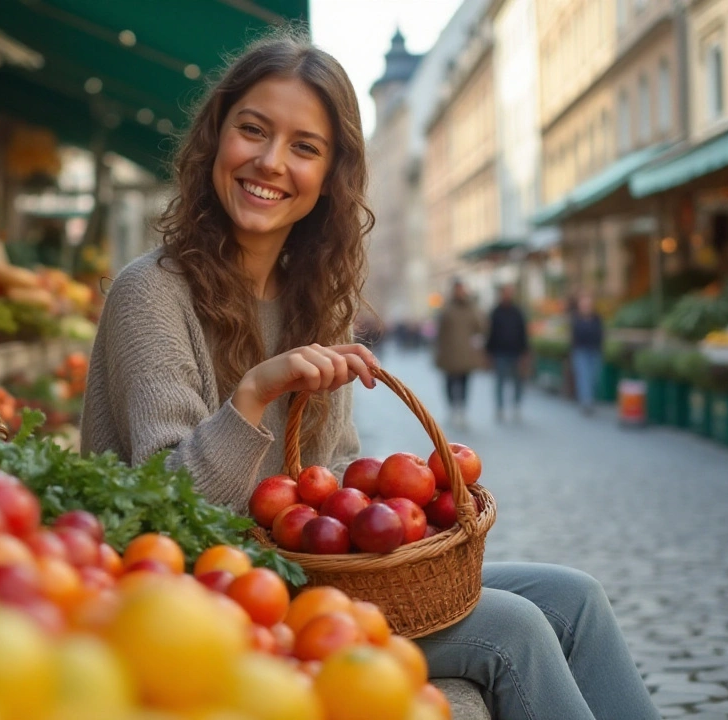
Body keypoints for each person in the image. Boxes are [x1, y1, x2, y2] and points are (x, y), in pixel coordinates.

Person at [81, 29, 660, 720]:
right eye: (253, 131)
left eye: (304, 147)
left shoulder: (313, 299)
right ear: (216, 137)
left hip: (306, 578)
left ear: (330, 176)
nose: (270, 162)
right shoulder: (150, 293)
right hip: (204, 600)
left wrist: (400, 518)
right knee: (517, 631)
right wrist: (254, 395)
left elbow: (332, 478)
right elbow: (164, 514)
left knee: (576, 597)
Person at [434, 279, 485, 427]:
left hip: (465, 354)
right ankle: (452, 408)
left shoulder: (471, 308)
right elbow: (440, 333)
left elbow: (480, 327)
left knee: (465, 382)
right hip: (449, 354)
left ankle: (462, 409)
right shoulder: (447, 308)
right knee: (450, 382)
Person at [486, 284, 529, 422]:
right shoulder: (496, 312)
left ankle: (516, 405)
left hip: (515, 352)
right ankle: (500, 407)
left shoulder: (517, 312)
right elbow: (490, 333)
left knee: (517, 381)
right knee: (500, 381)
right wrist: (489, 352)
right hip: (500, 352)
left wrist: (525, 351)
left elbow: (523, 332)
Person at [570, 293, 606, 415]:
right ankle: (586, 403)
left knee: (594, 378)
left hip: (594, 351)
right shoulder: (576, 319)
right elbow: (574, 337)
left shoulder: (596, 319)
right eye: (584, 305)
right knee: (584, 378)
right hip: (581, 352)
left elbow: (601, 334)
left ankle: (589, 400)